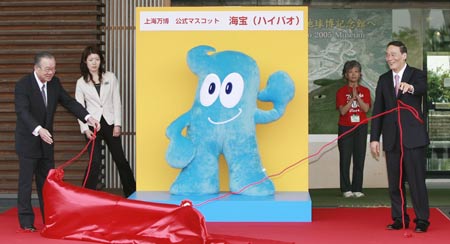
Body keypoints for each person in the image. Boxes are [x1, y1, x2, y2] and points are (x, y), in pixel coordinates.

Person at [15, 52, 100, 232]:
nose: (51, 73)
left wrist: (88, 117)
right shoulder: (23, 85)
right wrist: (38, 129)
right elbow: (23, 112)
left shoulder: (54, 83)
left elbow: (69, 102)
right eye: (47, 69)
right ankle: (26, 221)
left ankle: (50, 218)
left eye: (53, 69)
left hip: (47, 143)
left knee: (47, 183)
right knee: (25, 183)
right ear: (36, 68)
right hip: (28, 140)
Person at [370, 41, 430, 233]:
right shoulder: (384, 79)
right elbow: (378, 109)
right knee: (395, 182)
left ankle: (422, 220)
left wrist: (410, 87)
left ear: (404, 55)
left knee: (416, 181)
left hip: (413, 138)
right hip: (392, 139)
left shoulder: (417, 74)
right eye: (387, 55)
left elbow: (422, 88)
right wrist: (374, 138)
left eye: (394, 54)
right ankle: (399, 218)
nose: (390, 58)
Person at [75, 46, 136, 198]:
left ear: (101, 61)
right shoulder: (81, 82)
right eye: (90, 60)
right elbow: (79, 107)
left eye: (96, 59)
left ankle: (132, 192)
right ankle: (85, 195)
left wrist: (118, 124)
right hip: (92, 126)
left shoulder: (110, 77)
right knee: (94, 162)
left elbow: (117, 101)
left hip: (109, 123)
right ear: (85, 62)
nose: (94, 63)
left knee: (120, 159)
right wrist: (85, 129)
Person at [336, 60, 371, 198]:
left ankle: (357, 188)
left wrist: (358, 97)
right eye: (350, 72)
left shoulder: (366, 91)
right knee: (345, 158)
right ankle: (346, 189)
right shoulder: (341, 91)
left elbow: (366, 109)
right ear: (346, 75)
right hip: (345, 127)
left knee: (359, 157)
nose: (353, 74)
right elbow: (343, 111)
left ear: (360, 74)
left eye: (356, 71)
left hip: (361, 127)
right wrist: (351, 99)